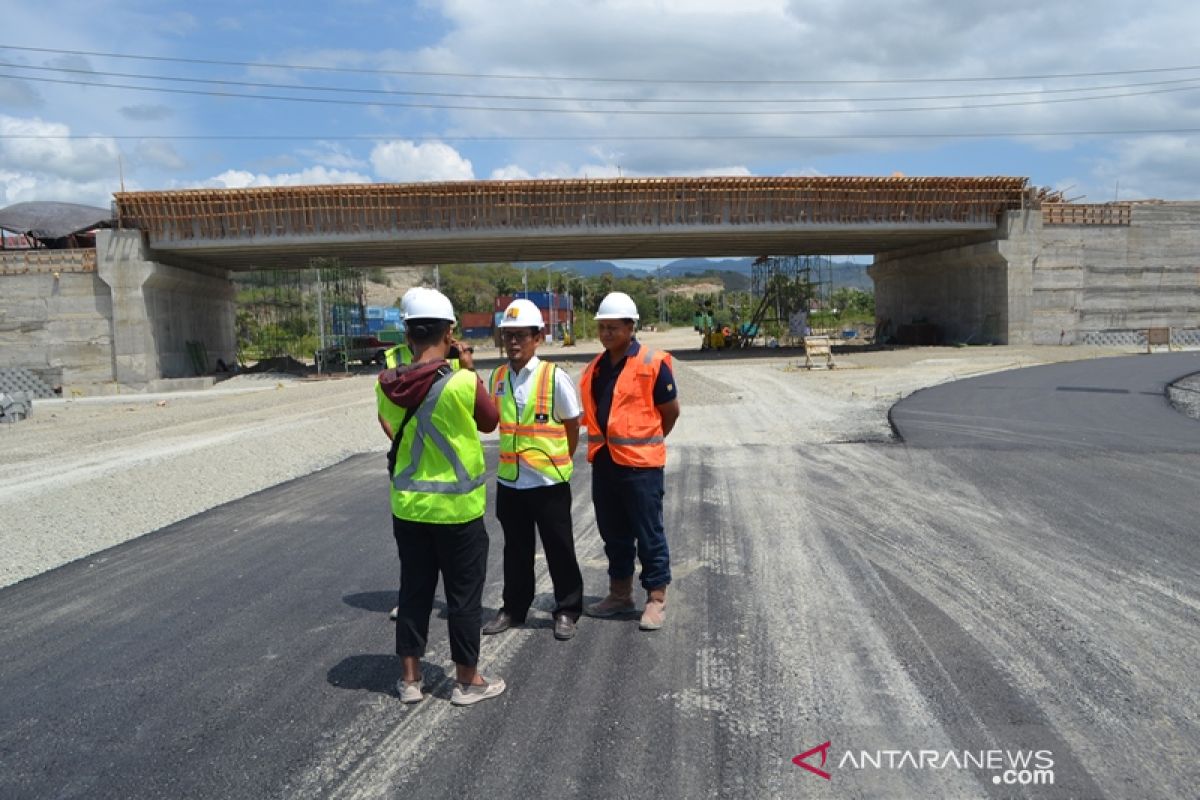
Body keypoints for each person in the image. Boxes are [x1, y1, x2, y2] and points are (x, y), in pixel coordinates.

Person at [376, 288, 505, 706]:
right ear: (449, 333)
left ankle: (410, 681)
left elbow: (391, 429)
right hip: (457, 510)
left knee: (413, 589)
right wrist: (469, 368)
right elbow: (490, 421)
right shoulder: (463, 383)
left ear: (408, 333)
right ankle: (467, 681)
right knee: (463, 596)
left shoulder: (388, 384)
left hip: (409, 508)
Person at [481, 299, 585, 641]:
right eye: (507, 336)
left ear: (537, 337)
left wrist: (561, 460)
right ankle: (513, 608)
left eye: (520, 336)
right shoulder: (497, 377)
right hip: (511, 482)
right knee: (515, 550)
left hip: (547, 481)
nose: (512, 343)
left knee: (559, 548)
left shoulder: (554, 377)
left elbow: (572, 424)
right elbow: (488, 421)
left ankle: (567, 609)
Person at [580, 292, 680, 631]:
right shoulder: (595, 367)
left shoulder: (653, 362)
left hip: (641, 466)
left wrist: (647, 440)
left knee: (648, 533)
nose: (606, 333)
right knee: (614, 534)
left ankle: (656, 599)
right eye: (602, 327)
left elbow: (670, 412)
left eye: (613, 327)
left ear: (630, 326)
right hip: (605, 463)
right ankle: (620, 594)